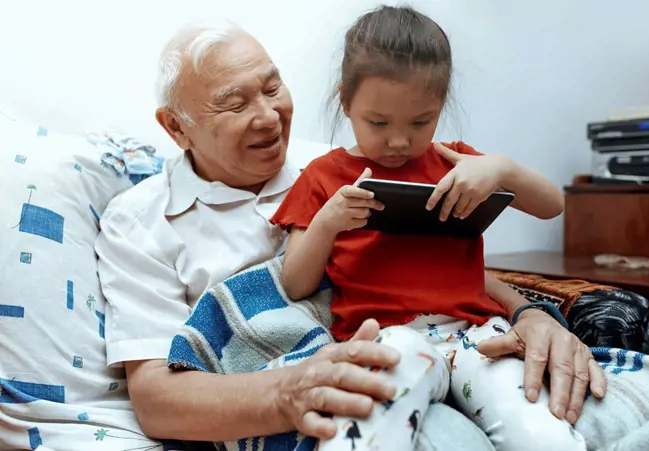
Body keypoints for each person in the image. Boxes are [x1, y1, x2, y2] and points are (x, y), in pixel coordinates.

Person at [94, 17, 603, 448]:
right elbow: (158, 400)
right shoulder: (140, 221)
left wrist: (532, 313)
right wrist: (288, 391)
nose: (269, 117)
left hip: (461, 341)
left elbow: (439, 258)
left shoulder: (352, 160)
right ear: (176, 128)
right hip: (338, 372)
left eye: (273, 88)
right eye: (235, 103)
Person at [270, 6, 604, 451]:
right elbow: (295, 283)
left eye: (420, 122)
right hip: (391, 337)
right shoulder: (322, 177)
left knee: (546, 436)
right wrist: (328, 222)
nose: (399, 141)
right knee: (368, 426)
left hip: (480, 338)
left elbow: (551, 206)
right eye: (379, 122)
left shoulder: (457, 162)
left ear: (440, 108)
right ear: (345, 101)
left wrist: (500, 169)